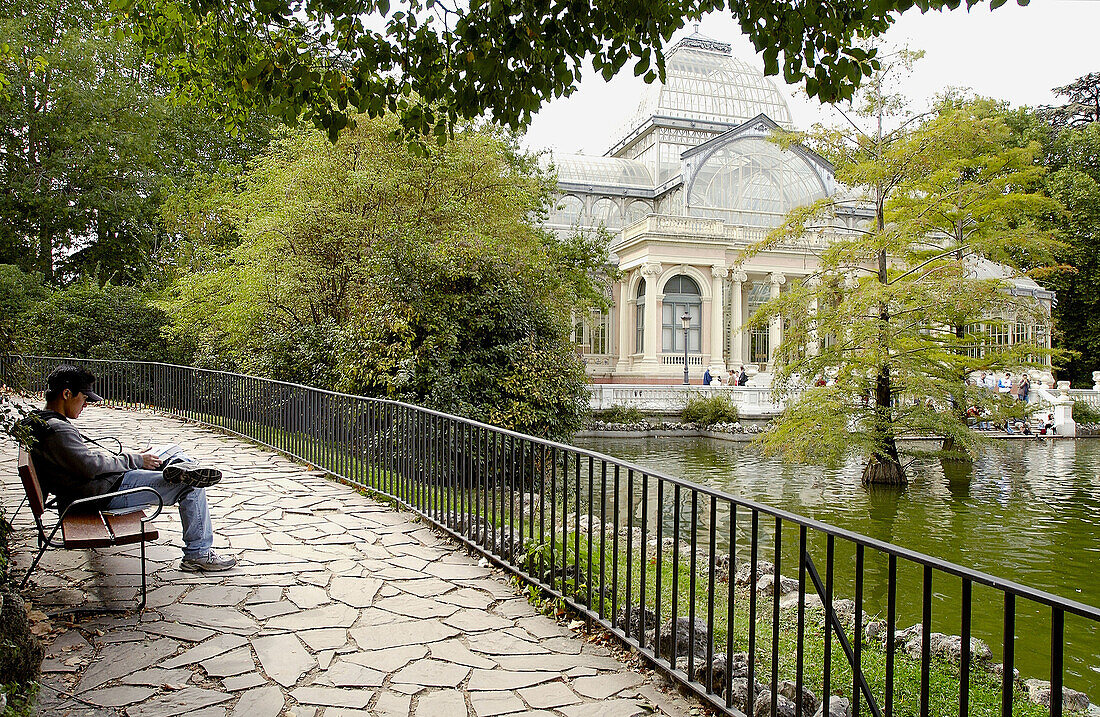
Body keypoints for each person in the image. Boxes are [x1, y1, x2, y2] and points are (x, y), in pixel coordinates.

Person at [20, 365, 237, 572]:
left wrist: (133, 458)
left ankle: (178, 465)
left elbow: (83, 461)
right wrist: (133, 459)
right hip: (103, 493)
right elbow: (89, 466)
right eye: (84, 398)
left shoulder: (40, 422)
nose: (85, 405)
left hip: (97, 487)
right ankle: (197, 554)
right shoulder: (57, 430)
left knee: (168, 451)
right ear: (67, 394)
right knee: (191, 485)